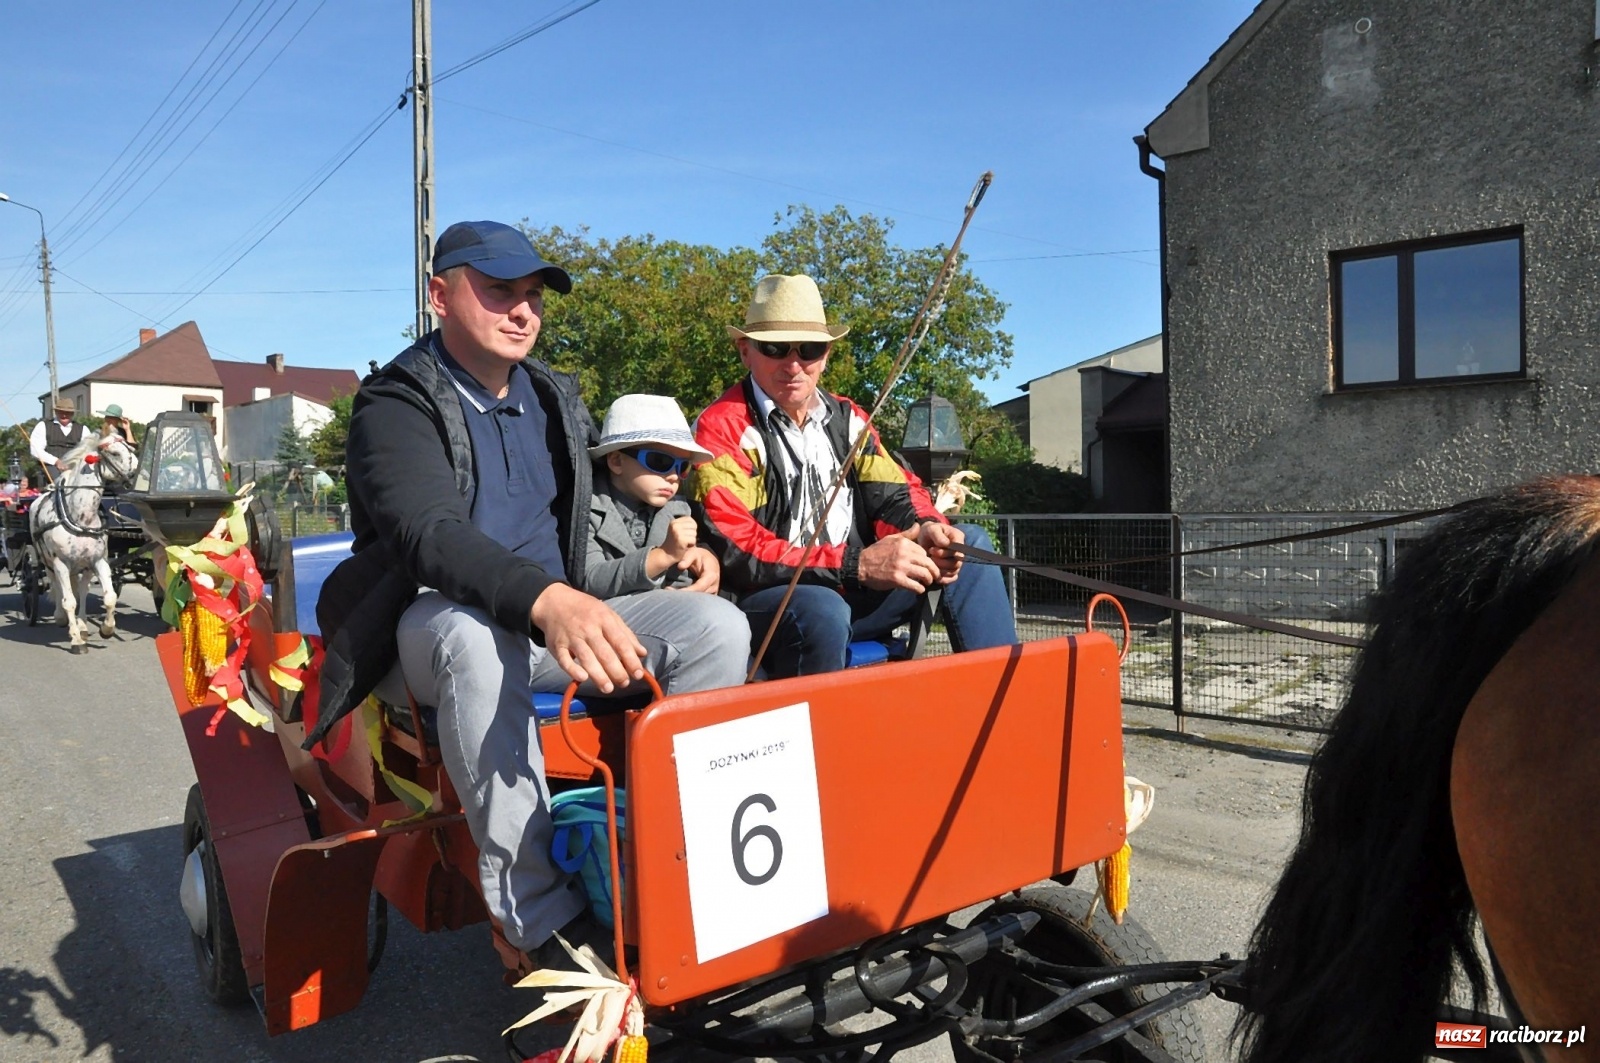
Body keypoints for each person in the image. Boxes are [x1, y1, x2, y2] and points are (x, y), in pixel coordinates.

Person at [313, 220, 749, 976]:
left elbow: (578, 554)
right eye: (500, 291)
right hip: (431, 627)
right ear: (440, 296)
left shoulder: (552, 397)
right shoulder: (395, 404)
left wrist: (680, 561)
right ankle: (536, 916)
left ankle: (674, 857)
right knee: (475, 636)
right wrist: (548, 600)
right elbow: (429, 535)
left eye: (533, 296)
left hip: (546, 624)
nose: (523, 311)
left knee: (716, 626)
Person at [692, 274, 1019, 677]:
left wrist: (929, 526)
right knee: (822, 607)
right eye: (774, 348)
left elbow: (897, 494)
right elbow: (738, 547)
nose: (793, 364)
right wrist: (854, 566)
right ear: (746, 351)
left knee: (968, 544)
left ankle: (1010, 709)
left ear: (826, 353)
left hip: (856, 590)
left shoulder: (849, 418)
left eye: (809, 349)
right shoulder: (721, 426)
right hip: (772, 604)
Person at [585, 393, 732, 599]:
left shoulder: (678, 510)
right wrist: (663, 555)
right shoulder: (586, 509)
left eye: (682, 466)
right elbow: (589, 581)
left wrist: (702, 567)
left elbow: (681, 581)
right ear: (617, 461)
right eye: (659, 461)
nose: (673, 476)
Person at [28, 398, 85, 482]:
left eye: (67, 413)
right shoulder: (43, 426)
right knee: (59, 481)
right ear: (56, 412)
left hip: (75, 465)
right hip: (51, 466)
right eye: (61, 412)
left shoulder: (83, 429)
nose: (64, 415)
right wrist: (56, 461)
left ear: (72, 413)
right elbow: (36, 450)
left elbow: (86, 450)